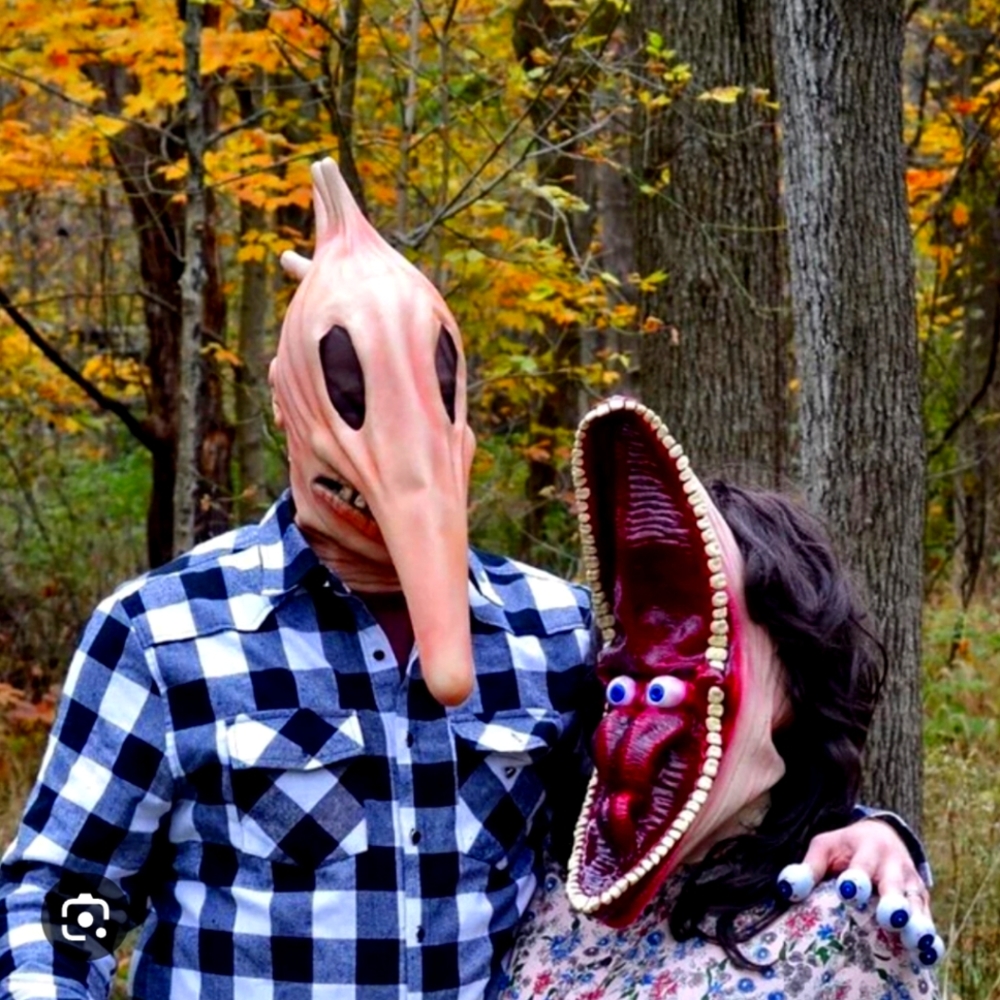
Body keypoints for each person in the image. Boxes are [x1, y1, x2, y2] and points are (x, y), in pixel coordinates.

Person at [0, 162, 930, 1000]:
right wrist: (57, 973)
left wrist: (862, 830)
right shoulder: (163, 635)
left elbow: (660, 817)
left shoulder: (554, 631)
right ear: (288, 411)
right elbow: (66, 894)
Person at [499, 397, 938, 999]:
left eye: (696, 633)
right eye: (631, 646)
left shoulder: (847, 923)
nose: (648, 692)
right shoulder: (561, 873)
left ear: (792, 676)